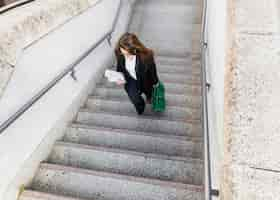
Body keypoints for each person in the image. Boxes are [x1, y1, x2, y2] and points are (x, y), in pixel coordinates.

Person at [115, 32, 159, 115]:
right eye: (122, 50)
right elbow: (120, 68)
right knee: (134, 98)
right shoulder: (120, 54)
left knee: (149, 92)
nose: (123, 53)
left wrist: (156, 82)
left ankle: (149, 97)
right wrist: (119, 77)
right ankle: (141, 107)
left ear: (134, 49)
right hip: (131, 80)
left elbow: (153, 71)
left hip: (145, 80)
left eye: (126, 51)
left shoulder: (146, 56)